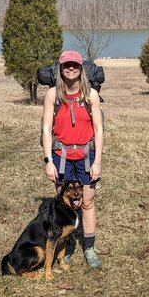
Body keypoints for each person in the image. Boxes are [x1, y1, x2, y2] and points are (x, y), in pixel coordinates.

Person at [42, 50, 104, 269]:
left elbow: (98, 128)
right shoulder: (52, 95)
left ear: (81, 69)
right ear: (60, 68)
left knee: (87, 201)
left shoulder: (91, 96)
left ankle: (89, 247)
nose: (71, 68)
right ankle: (65, 246)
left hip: (87, 156)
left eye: (75, 65)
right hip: (61, 157)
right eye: (66, 65)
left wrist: (97, 162)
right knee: (64, 204)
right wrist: (48, 160)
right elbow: (47, 129)